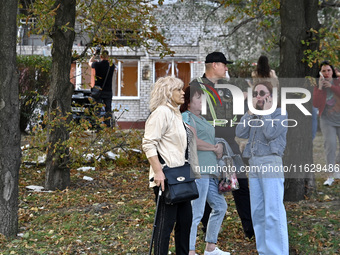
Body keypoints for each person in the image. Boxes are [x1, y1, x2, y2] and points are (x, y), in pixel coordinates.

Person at [190, 51, 254, 239]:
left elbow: (235, 111)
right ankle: (207, 228)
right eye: (224, 65)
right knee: (209, 187)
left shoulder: (228, 87)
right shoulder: (196, 86)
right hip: (208, 146)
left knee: (241, 185)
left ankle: (250, 230)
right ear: (214, 65)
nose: (227, 68)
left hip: (230, 145)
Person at [142, 76, 198, 255]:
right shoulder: (161, 113)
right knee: (165, 226)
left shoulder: (175, 113)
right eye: (179, 90)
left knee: (185, 222)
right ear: (167, 93)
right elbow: (148, 144)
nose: (183, 93)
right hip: (166, 178)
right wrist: (158, 172)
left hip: (181, 176)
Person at [236, 81, 289, 255]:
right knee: (258, 212)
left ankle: (278, 252)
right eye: (255, 93)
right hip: (254, 164)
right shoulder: (254, 115)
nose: (258, 96)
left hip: (270, 163)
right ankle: (264, 251)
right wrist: (250, 113)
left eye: (262, 93)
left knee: (273, 211)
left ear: (271, 96)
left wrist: (265, 113)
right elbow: (240, 133)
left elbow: (270, 133)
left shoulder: (280, 113)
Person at [180, 86, 230, 255]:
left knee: (220, 206)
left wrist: (220, 145)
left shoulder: (202, 119)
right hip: (198, 170)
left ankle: (210, 247)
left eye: (203, 99)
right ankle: (190, 250)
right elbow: (193, 142)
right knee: (196, 212)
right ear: (188, 102)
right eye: (198, 98)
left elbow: (209, 139)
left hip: (210, 172)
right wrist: (215, 148)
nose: (202, 102)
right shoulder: (186, 117)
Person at [313, 60, 340, 186]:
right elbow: (315, 104)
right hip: (327, 120)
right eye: (324, 71)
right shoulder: (319, 86)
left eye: (329, 70)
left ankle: (337, 167)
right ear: (320, 73)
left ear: (332, 71)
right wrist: (319, 87)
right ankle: (330, 176)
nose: (327, 73)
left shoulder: (338, 81)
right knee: (330, 145)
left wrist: (332, 87)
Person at [88, 49, 115, 127]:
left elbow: (89, 62)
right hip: (108, 91)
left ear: (101, 56)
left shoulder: (97, 64)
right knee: (108, 109)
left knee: (97, 109)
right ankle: (108, 126)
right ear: (108, 56)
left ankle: (97, 126)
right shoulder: (112, 66)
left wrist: (95, 54)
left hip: (98, 91)